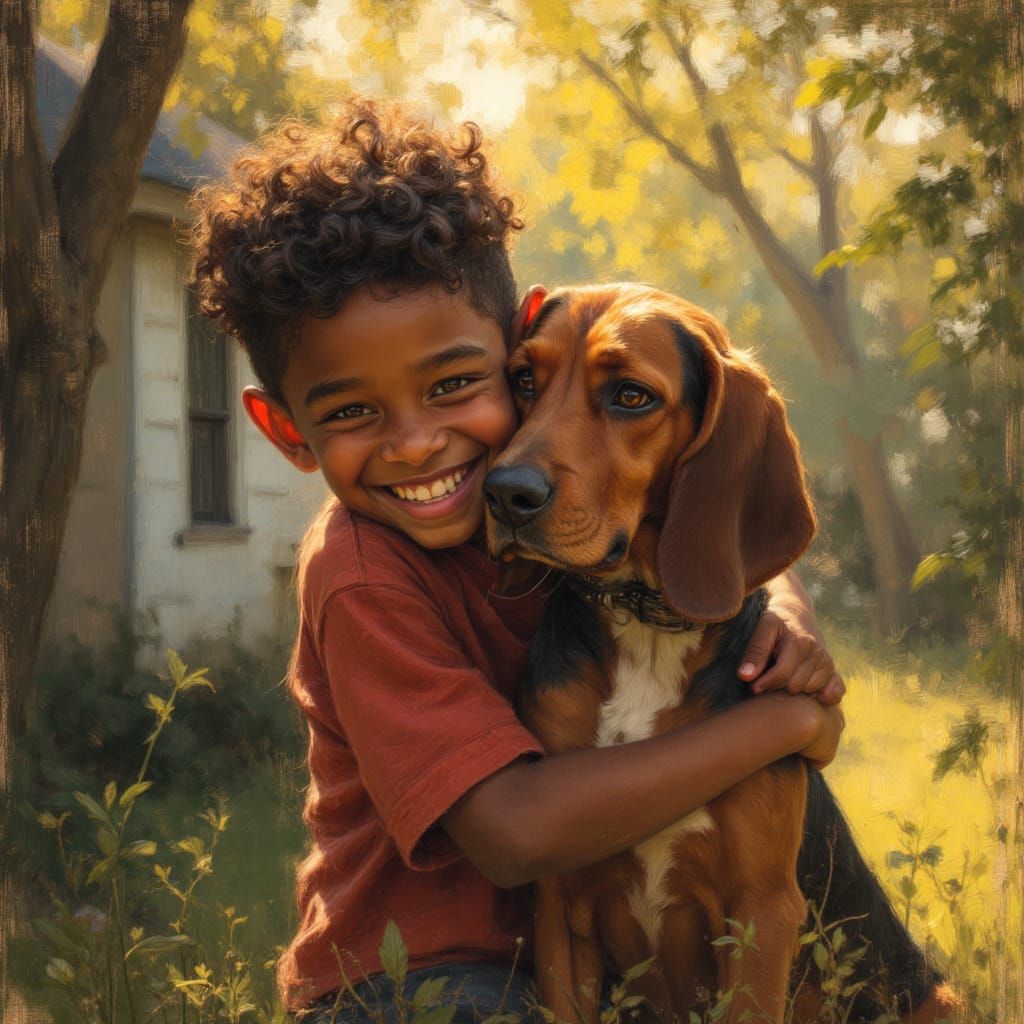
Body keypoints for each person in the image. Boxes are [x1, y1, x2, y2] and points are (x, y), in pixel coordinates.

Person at [188, 98, 845, 1022]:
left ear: (511, 353)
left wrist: (785, 613)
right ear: (287, 432)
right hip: (405, 978)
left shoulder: (560, 520)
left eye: (458, 386)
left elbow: (722, 524)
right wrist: (787, 725)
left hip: (564, 956)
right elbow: (515, 832)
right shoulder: (363, 574)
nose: (417, 446)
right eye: (351, 411)